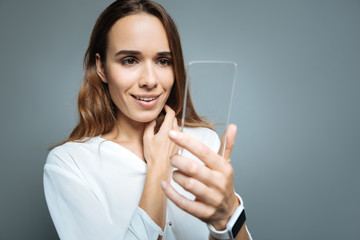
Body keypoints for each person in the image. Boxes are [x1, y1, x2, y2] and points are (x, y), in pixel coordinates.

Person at [43, 0, 252, 239]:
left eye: (163, 61)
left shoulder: (203, 143)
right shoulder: (71, 163)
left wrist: (228, 218)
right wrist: (159, 167)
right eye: (130, 60)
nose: (150, 80)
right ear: (101, 67)